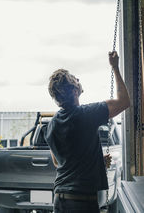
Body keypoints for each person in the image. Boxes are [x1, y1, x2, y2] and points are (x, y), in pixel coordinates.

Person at [45, 51, 130, 213]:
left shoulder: (52, 124)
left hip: (60, 199)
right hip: (81, 202)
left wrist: (95, 161)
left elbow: (59, 162)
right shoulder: (87, 113)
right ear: (74, 90)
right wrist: (115, 67)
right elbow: (124, 101)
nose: (79, 80)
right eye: (76, 79)